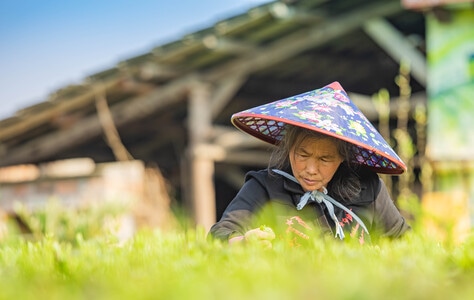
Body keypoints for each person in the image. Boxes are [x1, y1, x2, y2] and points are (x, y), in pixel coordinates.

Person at [208, 81, 410, 246]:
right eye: (302, 155)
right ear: (289, 148)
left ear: (343, 157)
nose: (310, 170)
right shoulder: (264, 187)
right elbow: (221, 234)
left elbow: (404, 242)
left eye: (324, 159)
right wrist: (243, 243)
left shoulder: (369, 189)